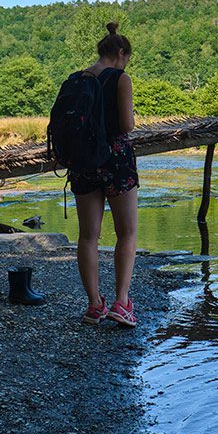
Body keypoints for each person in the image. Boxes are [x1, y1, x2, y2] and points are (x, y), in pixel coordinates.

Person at [72, 22, 139, 328]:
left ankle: (94, 305)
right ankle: (121, 303)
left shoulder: (77, 79)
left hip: (83, 159)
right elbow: (126, 126)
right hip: (115, 159)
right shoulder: (120, 79)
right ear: (121, 53)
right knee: (126, 232)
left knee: (88, 235)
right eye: (127, 58)